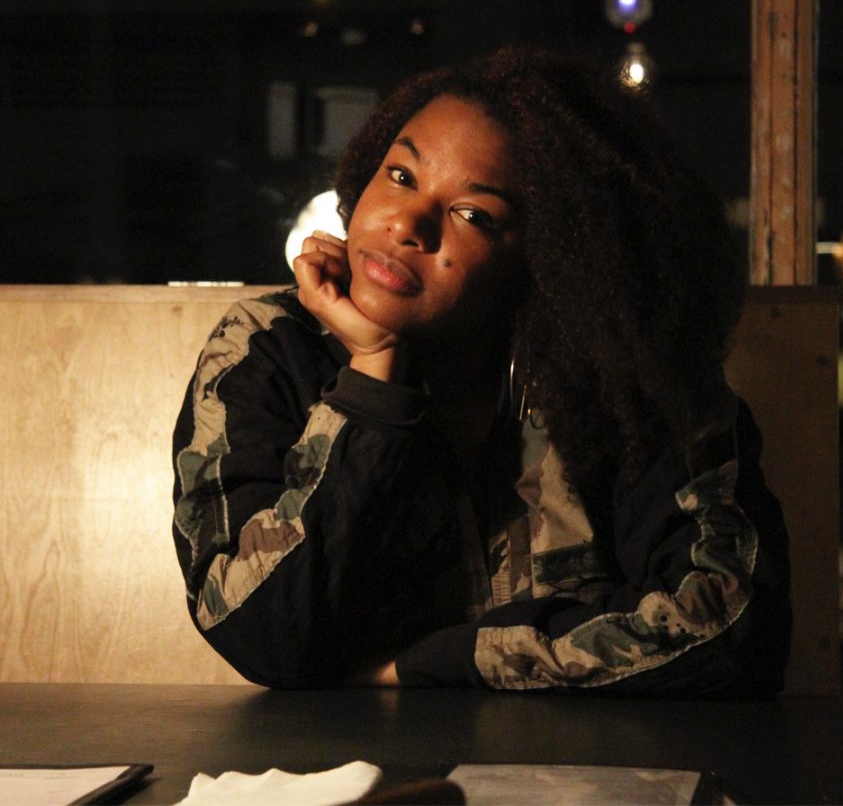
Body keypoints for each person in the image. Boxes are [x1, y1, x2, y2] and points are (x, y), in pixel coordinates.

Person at [172, 46, 791, 695]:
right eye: (401, 175)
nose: (407, 223)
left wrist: (441, 661)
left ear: (552, 253)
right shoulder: (268, 348)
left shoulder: (628, 376)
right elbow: (261, 632)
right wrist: (373, 378)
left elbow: (731, 629)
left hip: (575, 760)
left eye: (473, 214)